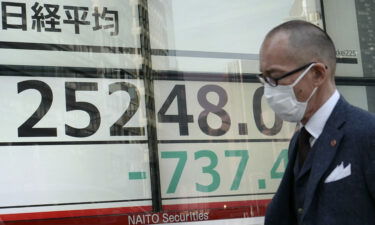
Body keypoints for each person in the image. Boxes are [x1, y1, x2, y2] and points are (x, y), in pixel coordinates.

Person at [258, 20, 375, 225]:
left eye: (275, 77)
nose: (269, 91)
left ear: (318, 74)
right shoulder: (299, 140)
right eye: (265, 79)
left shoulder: (368, 134)